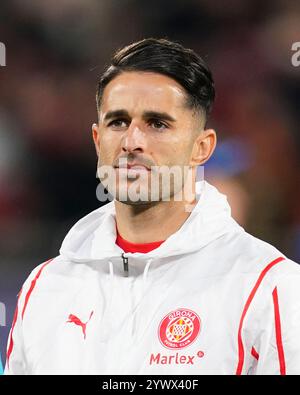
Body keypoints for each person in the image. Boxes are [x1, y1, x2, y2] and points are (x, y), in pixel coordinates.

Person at [5, 38, 300, 375]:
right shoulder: (44, 288)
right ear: (97, 140)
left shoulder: (270, 287)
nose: (132, 142)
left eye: (157, 124)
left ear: (201, 148)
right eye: (117, 122)